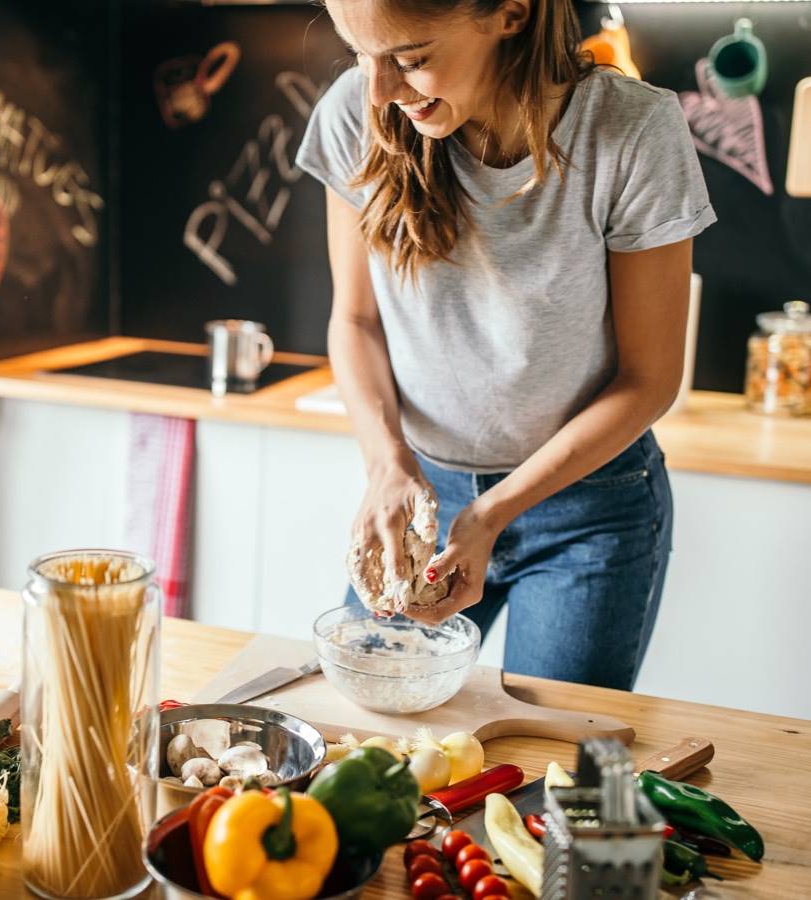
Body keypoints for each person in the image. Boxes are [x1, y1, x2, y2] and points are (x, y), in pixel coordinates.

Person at [296, 0, 715, 689]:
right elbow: (356, 321)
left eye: (411, 58)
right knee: (371, 735)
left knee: (550, 772)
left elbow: (650, 378)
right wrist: (385, 464)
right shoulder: (357, 114)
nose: (379, 93)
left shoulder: (631, 129)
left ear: (512, 14)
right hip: (425, 493)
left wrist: (493, 512)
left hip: (590, 509)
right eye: (359, 56)